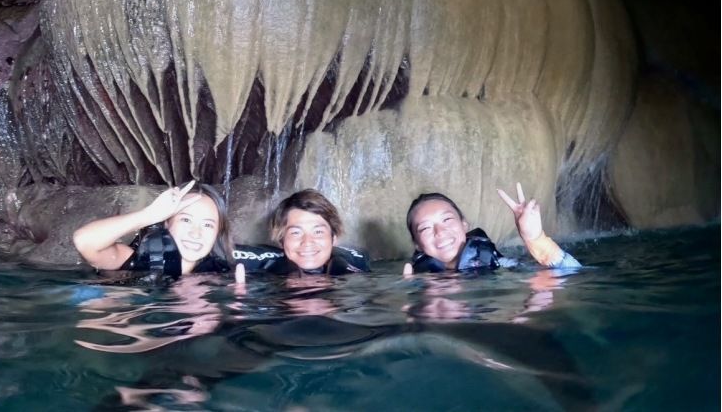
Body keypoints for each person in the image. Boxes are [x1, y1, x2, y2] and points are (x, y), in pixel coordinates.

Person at [403, 182, 581, 275]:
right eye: (425, 228)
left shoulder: (496, 263)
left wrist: (536, 239)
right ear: (417, 244)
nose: (440, 232)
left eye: (447, 219)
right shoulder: (417, 278)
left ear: (464, 224)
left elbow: (573, 275)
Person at [72, 181, 234, 278]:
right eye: (186, 220)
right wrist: (150, 215)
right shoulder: (136, 260)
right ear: (166, 223)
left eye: (207, 225)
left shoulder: (223, 270)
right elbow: (84, 241)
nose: (196, 233)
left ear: (218, 232)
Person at [236, 189, 370, 277]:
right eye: (296, 233)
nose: (307, 242)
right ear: (281, 240)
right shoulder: (262, 262)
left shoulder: (356, 263)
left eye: (318, 232)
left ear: (333, 238)